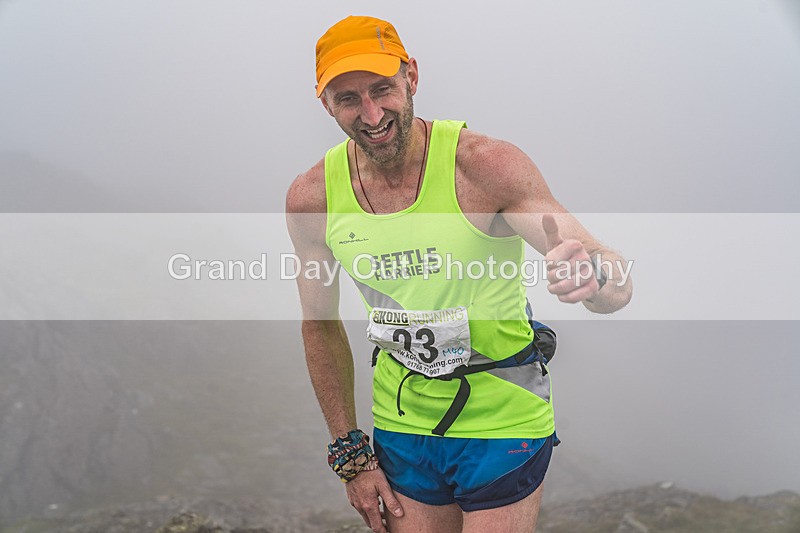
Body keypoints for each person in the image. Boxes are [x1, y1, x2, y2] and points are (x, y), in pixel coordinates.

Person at [286, 15, 633, 533]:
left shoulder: (484, 167)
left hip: (503, 416)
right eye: (349, 99)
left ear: (413, 78)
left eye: (383, 90)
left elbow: (607, 274)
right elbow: (319, 324)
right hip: (403, 422)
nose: (372, 114)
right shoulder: (313, 197)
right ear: (326, 104)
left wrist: (594, 280)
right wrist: (351, 455)